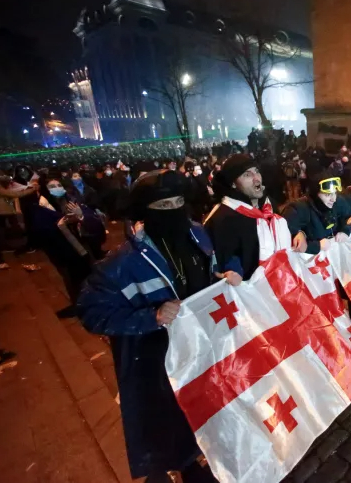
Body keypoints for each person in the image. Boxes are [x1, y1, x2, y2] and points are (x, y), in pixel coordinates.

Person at [77, 170, 238, 483]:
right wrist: (151, 317)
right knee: (171, 423)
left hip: (204, 347)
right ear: (146, 212)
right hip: (159, 360)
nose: (174, 210)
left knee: (205, 407)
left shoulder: (197, 234)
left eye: (178, 202)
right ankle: (181, 467)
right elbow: (90, 311)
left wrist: (227, 271)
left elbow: (218, 262)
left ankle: (203, 455)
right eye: (164, 205)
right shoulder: (122, 263)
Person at [205, 155, 290, 280]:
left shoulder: (268, 205)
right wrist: (231, 272)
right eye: (247, 175)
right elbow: (224, 261)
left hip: (280, 280)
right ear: (233, 183)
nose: (256, 179)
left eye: (257, 171)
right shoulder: (224, 218)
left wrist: (298, 234)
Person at [35, 176, 106, 316]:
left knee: (87, 274)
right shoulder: (43, 208)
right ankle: (79, 305)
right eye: (51, 187)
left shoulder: (72, 201)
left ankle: (93, 302)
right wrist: (61, 223)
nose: (57, 188)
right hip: (63, 250)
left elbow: (90, 218)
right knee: (71, 279)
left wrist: (80, 217)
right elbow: (42, 229)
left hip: (81, 246)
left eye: (58, 185)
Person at [283, 171, 351, 255]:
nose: (333, 199)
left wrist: (346, 229)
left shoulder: (338, 202)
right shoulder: (298, 209)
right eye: (327, 195)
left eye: (334, 193)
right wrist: (317, 246)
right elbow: (284, 243)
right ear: (315, 194)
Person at [0, 174, 38, 269]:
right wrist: (32, 189)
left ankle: (1, 255)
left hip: (1, 213)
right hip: (0, 213)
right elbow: (14, 194)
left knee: (1, 232)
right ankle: (0, 260)